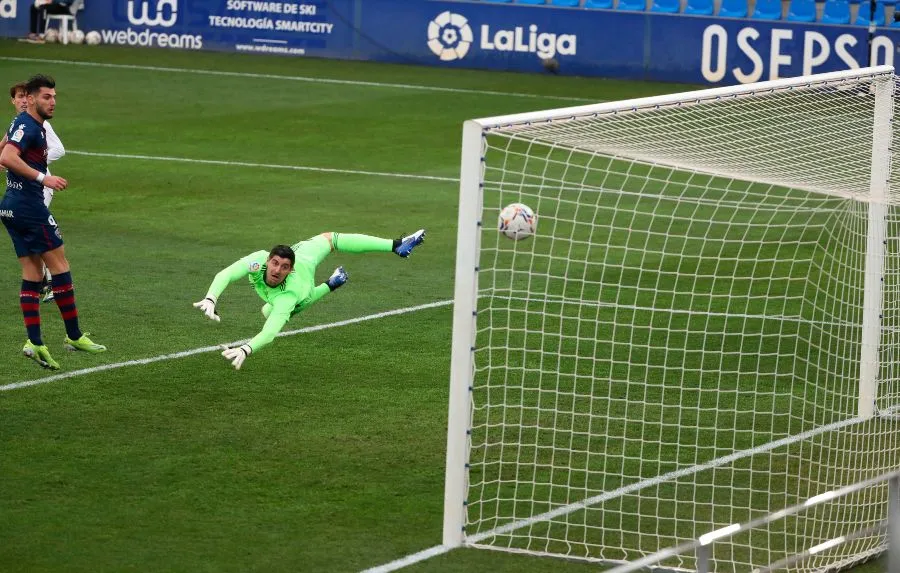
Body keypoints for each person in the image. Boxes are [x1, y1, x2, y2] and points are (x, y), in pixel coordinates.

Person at [193, 230, 426, 370]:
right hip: (302, 252)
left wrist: (246, 349)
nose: (276, 270)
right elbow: (226, 274)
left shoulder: (290, 294)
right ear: (268, 260)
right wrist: (211, 298)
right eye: (274, 263)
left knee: (270, 312)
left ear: (289, 269)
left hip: (303, 285)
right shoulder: (258, 261)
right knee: (330, 238)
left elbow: (270, 332)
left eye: (284, 267)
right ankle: (397, 246)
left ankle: (330, 284)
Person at [0, 74, 106, 370]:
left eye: (55, 97)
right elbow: (8, 157)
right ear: (31, 99)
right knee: (60, 266)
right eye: (47, 97)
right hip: (28, 207)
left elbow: (6, 152)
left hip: (11, 205)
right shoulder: (28, 125)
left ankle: (34, 342)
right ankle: (73, 336)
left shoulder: (24, 124)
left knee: (32, 273)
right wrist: (42, 177)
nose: (53, 102)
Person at [1, 81, 65, 302]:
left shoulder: (40, 125)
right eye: (17, 97)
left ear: (30, 99)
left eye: (23, 96)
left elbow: (58, 149)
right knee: (35, 236)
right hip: (22, 189)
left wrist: (38, 163)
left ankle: (47, 284)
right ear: (14, 101)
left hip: (40, 188)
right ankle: (43, 283)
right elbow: (6, 149)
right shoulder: (19, 123)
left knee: (41, 235)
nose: (21, 101)